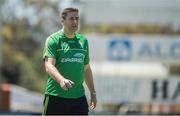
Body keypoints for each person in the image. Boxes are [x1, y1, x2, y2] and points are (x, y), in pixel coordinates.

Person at [42, 7, 97, 115]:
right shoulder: (53, 40)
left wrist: (93, 92)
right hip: (56, 97)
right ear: (62, 21)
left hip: (78, 98)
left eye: (77, 18)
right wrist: (61, 80)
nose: (75, 22)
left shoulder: (83, 41)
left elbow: (86, 69)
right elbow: (49, 66)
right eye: (71, 19)